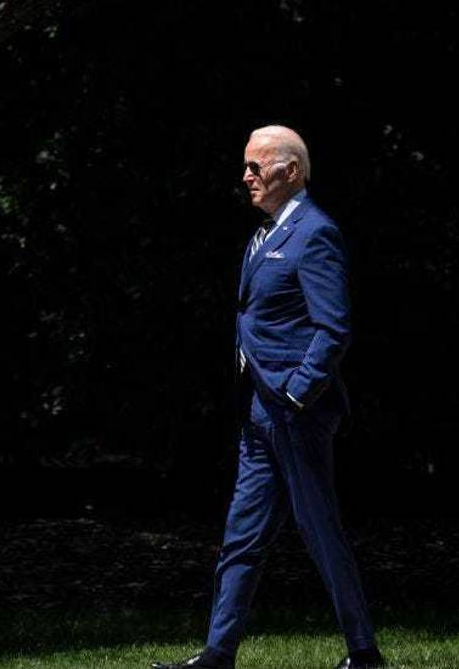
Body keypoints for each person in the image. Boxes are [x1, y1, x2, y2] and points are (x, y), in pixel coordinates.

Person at [151, 126, 385, 669]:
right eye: (246, 165)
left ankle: (363, 651)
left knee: (319, 530)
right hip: (258, 411)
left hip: (294, 412)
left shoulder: (315, 233)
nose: (246, 176)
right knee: (242, 535)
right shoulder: (266, 235)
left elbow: (333, 327)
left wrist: (298, 393)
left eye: (256, 166)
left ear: (291, 171)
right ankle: (218, 653)